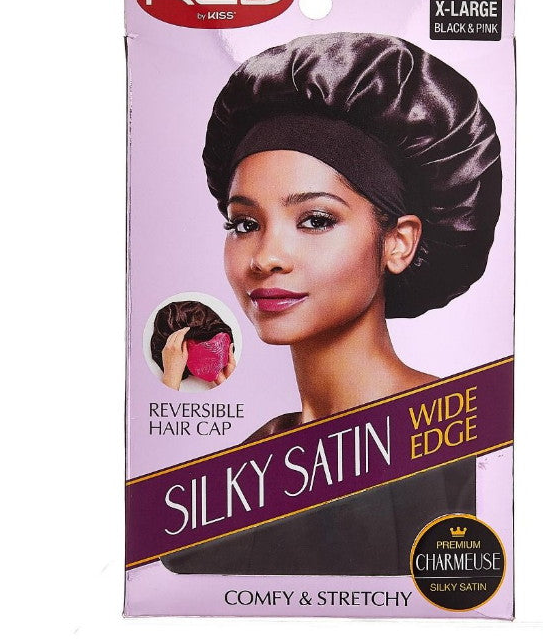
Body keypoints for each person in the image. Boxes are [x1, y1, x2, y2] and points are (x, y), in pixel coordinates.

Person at [162, 32, 501, 575]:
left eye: (316, 220)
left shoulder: (469, 451)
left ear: (398, 243)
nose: (266, 257)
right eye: (244, 224)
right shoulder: (233, 484)